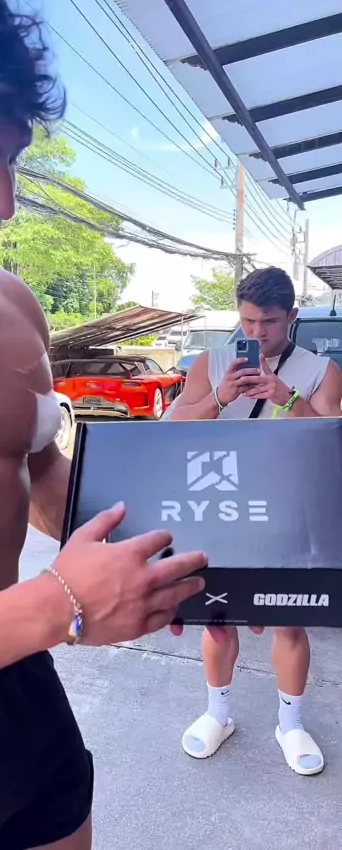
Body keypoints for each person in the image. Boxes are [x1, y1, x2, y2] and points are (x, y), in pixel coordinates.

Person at [0, 0, 209, 848]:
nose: (4, 199)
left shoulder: (11, 304)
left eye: (12, 158)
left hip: (21, 688)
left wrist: (184, 549)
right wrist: (60, 604)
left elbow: (38, 473)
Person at [168, 267, 342, 777]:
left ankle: (290, 724)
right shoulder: (211, 363)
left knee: (289, 619)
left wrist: (286, 396)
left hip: (289, 510)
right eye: (247, 321)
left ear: (292, 316)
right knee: (216, 618)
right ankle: (217, 714)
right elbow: (171, 428)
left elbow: (332, 440)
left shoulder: (321, 370)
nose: (256, 333)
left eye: (268, 322)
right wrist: (220, 397)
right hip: (220, 509)